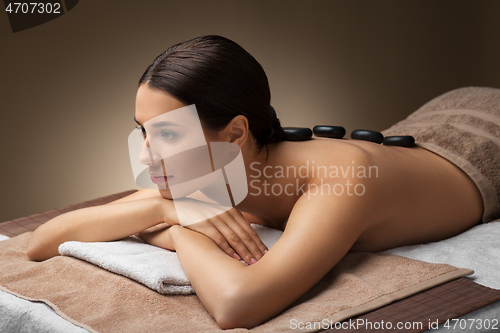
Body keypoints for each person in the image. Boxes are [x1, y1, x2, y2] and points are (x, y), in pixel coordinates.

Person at [27, 35, 494, 329]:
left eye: (167, 133)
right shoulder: (197, 173)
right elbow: (42, 242)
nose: (146, 154)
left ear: (235, 132)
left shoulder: (340, 178)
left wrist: (177, 230)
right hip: (431, 121)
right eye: (142, 130)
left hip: (484, 139)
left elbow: (239, 306)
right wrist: (168, 210)